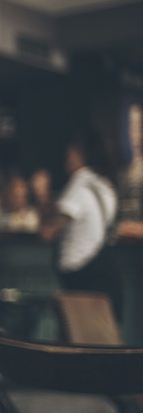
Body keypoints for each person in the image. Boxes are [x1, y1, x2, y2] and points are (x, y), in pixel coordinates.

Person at [31, 128, 121, 316]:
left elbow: (49, 232)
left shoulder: (79, 184)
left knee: (77, 340)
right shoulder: (105, 186)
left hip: (83, 281)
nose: (66, 159)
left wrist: (41, 195)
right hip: (106, 277)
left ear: (77, 154)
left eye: (68, 153)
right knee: (99, 341)